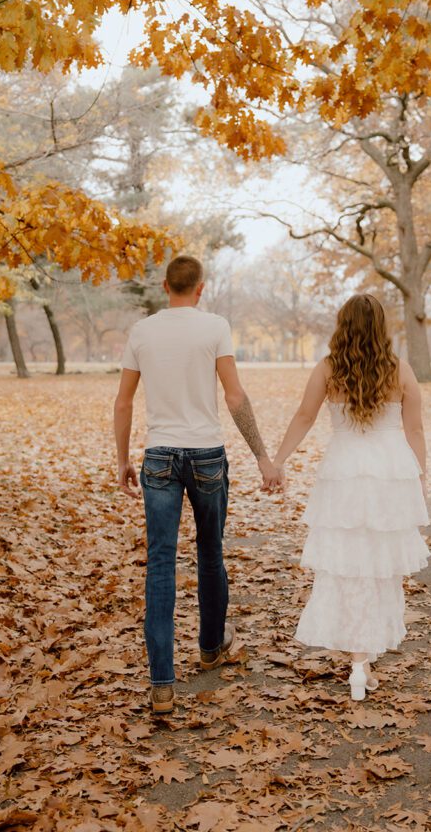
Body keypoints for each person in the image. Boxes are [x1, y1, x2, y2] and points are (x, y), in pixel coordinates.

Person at [114, 255, 282, 714]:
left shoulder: (142, 331)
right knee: (210, 552)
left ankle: (162, 684)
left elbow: (123, 402)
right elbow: (234, 394)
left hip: (160, 457)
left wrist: (123, 458)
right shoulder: (214, 327)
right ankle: (210, 647)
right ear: (200, 288)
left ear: (165, 285)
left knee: (161, 563)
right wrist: (262, 455)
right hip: (207, 454)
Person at [272, 294, 429, 701]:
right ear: (381, 327)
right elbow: (416, 432)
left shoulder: (328, 368)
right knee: (378, 567)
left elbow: (305, 416)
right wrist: (420, 479)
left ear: (342, 325)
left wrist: (278, 460)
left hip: (344, 472)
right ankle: (363, 662)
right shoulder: (401, 370)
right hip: (389, 474)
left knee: (351, 565)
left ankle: (360, 662)